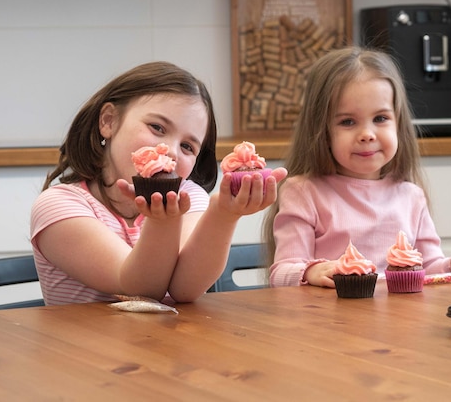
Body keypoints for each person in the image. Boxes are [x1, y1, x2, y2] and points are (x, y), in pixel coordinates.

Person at [30, 61, 287, 305]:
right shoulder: (59, 205)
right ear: (109, 121)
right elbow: (138, 288)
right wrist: (163, 222)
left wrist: (224, 214)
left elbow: (185, 289)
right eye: (157, 127)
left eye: (188, 146)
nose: (172, 151)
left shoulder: (189, 196)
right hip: (83, 349)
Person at [263, 47, 451, 288]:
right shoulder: (303, 192)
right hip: (331, 322)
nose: (367, 134)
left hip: (400, 322)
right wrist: (311, 272)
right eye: (348, 122)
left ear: (398, 123)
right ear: (321, 131)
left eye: (380, 119)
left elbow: (429, 268)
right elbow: (281, 274)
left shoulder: (411, 197)